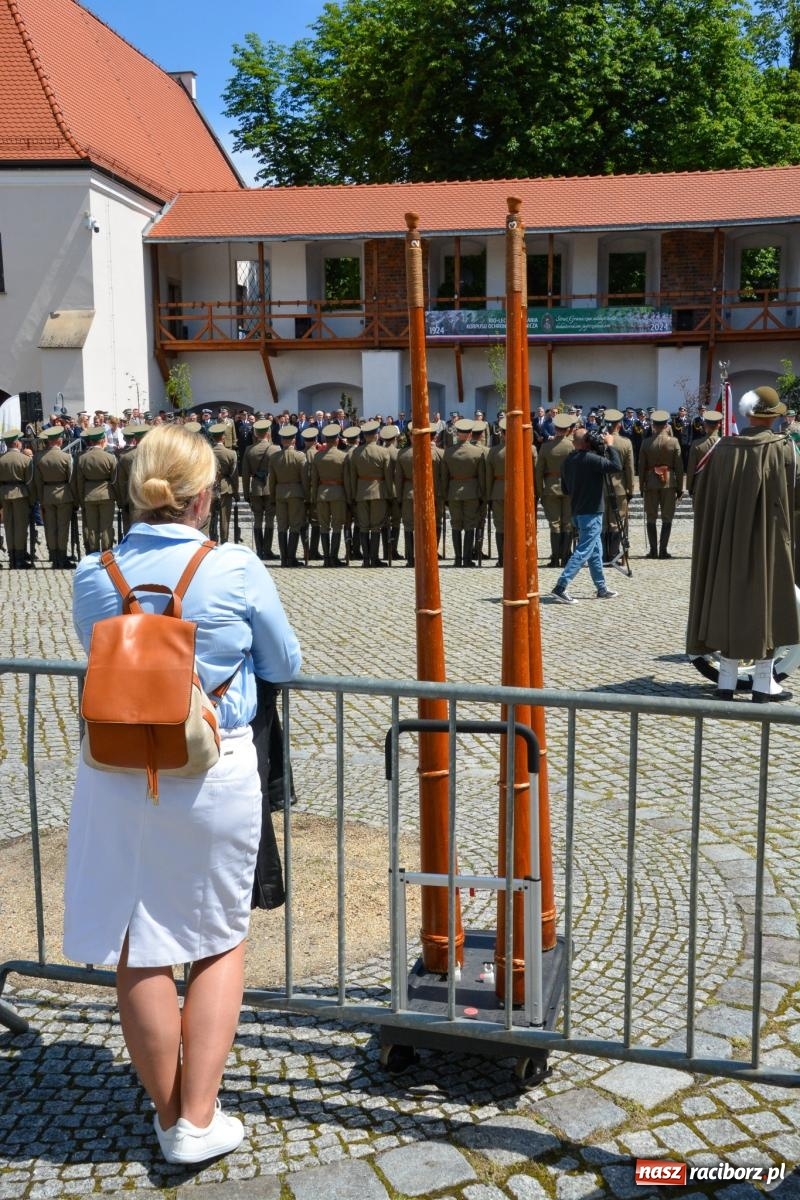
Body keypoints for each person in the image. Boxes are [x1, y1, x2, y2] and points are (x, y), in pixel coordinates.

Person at [63, 424, 302, 1165]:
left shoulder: (93, 571)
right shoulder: (232, 565)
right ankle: (196, 1118)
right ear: (202, 498)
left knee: (138, 945)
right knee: (217, 936)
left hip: (117, 769)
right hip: (211, 764)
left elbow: (101, 652)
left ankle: (170, 1113)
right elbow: (284, 661)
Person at [686, 386, 798, 702]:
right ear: (775, 417)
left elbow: (704, 497)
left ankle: (727, 680)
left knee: (727, 603)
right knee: (767, 604)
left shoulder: (720, 449)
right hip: (768, 540)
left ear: (748, 414)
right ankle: (764, 683)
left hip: (725, 541)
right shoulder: (783, 448)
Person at [551, 427, 621, 604]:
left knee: (596, 551)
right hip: (591, 511)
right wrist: (610, 446)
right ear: (587, 442)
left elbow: (566, 489)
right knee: (583, 550)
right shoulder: (591, 459)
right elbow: (616, 466)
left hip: (577, 510)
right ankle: (561, 586)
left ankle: (601, 588)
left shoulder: (568, 461)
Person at [638, 410, 683, 560]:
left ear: (653, 426)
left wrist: (641, 485)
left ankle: (653, 550)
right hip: (669, 482)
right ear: (666, 425)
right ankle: (663, 550)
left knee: (651, 517)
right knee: (667, 517)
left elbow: (641, 466)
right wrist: (680, 487)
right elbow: (679, 466)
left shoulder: (646, 442)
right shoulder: (674, 442)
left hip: (650, 482)